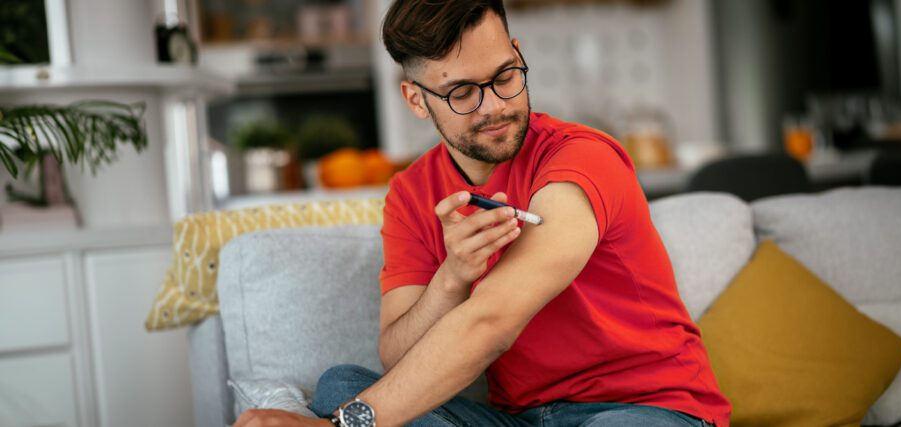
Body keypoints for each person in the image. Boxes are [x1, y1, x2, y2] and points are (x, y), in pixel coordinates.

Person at [232, 0, 730, 426]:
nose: (494, 106)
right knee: (340, 383)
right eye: (463, 92)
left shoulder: (581, 158)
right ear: (416, 100)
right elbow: (397, 357)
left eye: (505, 76)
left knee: (352, 410)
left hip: (647, 409)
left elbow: (493, 322)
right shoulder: (411, 194)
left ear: (517, 53)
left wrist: (345, 426)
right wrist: (452, 278)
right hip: (520, 418)